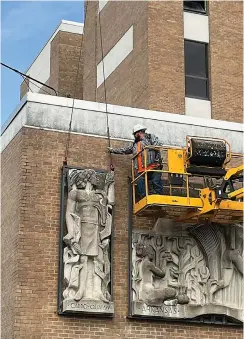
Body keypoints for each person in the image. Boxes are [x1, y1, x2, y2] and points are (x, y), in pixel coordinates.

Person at [108, 124, 163, 198]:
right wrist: (113, 150)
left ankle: (157, 195)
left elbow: (158, 145)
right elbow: (125, 150)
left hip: (154, 167)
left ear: (139, 132)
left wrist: (151, 148)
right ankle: (144, 196)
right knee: (140, 182)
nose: (134, 136)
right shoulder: (134, 144)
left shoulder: (150, 137)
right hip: (141, 170)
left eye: (135, 134)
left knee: (156, 181)